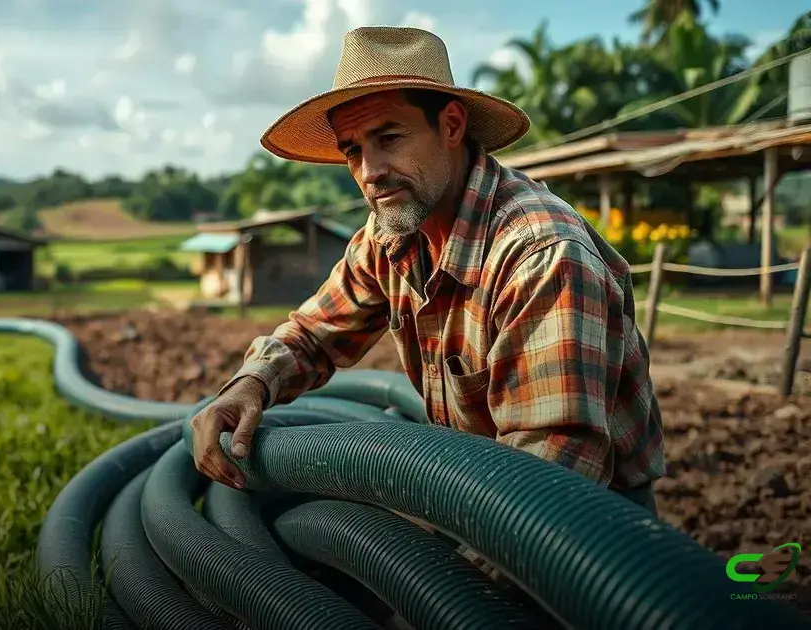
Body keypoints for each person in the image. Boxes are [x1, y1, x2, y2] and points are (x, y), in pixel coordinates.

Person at [189, 26, 665, 517]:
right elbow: (312, 334)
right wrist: (251, 383)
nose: (370, 172)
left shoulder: (540, 257)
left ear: (452, 126)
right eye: (353, 150)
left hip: (593, 533)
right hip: (477, 491)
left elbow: (547, 484)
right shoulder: (391, 236)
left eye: (389, 138)